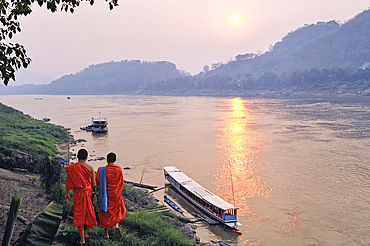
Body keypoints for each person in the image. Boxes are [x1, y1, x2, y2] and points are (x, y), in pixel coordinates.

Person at [65, 148, 97, 245]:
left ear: (77, 156)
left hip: (78, 194)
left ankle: (82, 238)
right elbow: (94, 183)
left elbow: (68, 182)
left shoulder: (73, 167)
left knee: (79, 214)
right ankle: (86, 233)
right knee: (87, 212)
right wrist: (94, 194)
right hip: (88, 193)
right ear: (87, 157)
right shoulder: (90, 168)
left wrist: (66, 193)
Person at [96, 152, 127, 239]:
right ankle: (116, 225)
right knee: (117, 210)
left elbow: (98, 182)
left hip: (105, 195)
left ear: (107, 160)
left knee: (104, 212)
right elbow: (121, 182)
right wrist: (118, 192)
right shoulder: (119, 169)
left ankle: (106, 234)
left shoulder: (101, 170)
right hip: (115, 194)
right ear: (115, 160)